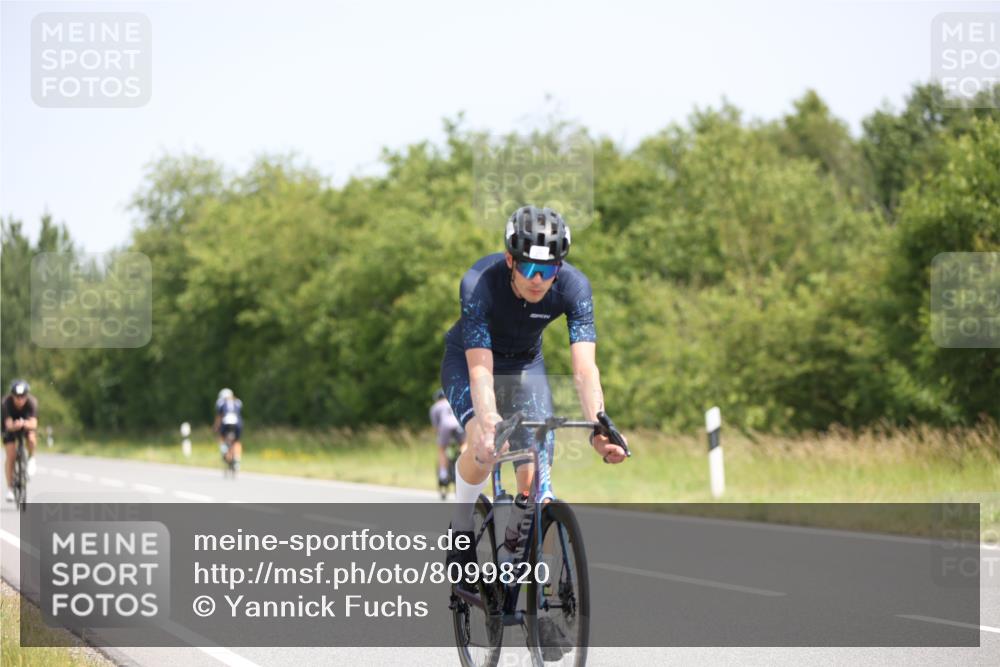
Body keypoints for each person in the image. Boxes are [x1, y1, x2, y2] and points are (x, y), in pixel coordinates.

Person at [441, 205, 628, 573]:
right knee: (485, 443)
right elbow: (481, 371)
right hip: (471, 361)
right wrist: (490, 417)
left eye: (548, 270)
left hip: (525, 364)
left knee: (534, 467)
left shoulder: (575, 288)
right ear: (510, 260)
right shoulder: (478, 283)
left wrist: (598, 427)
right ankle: (461, 531)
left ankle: (517, 560)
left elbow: (585, 369)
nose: (538, 280)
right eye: (529, 267)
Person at [2, 379, 38, 502]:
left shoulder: (32, 402)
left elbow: (34, 423)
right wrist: (14, 425)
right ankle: (10, 489)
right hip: (10, 426)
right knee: (11, 455)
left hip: (25, 423)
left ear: (26, 395)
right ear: (12, 395)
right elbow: (8, 424)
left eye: (22, 396)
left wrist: (24, 423)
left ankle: (31, 458)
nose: (20, 399)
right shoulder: (6, 403)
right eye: (17, 397)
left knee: (32, 438)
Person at [430, 388, 464, 486]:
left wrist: (440, 438)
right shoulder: (454, 402)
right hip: (458, 424)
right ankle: (464, 463)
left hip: (445, 426)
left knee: (442, 449)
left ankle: (443, 474)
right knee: (463, 444)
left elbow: (436, 427)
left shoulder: (435, 406)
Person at [213, 388, 243, 470]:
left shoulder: (220, 402)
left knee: (222, 437)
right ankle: (237, 459)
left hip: (225, 422)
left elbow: (219, 416)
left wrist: (216, 427)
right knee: (236, 441)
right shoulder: (238, 401)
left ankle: (224, 451)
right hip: (237, 423)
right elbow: (238, 413)